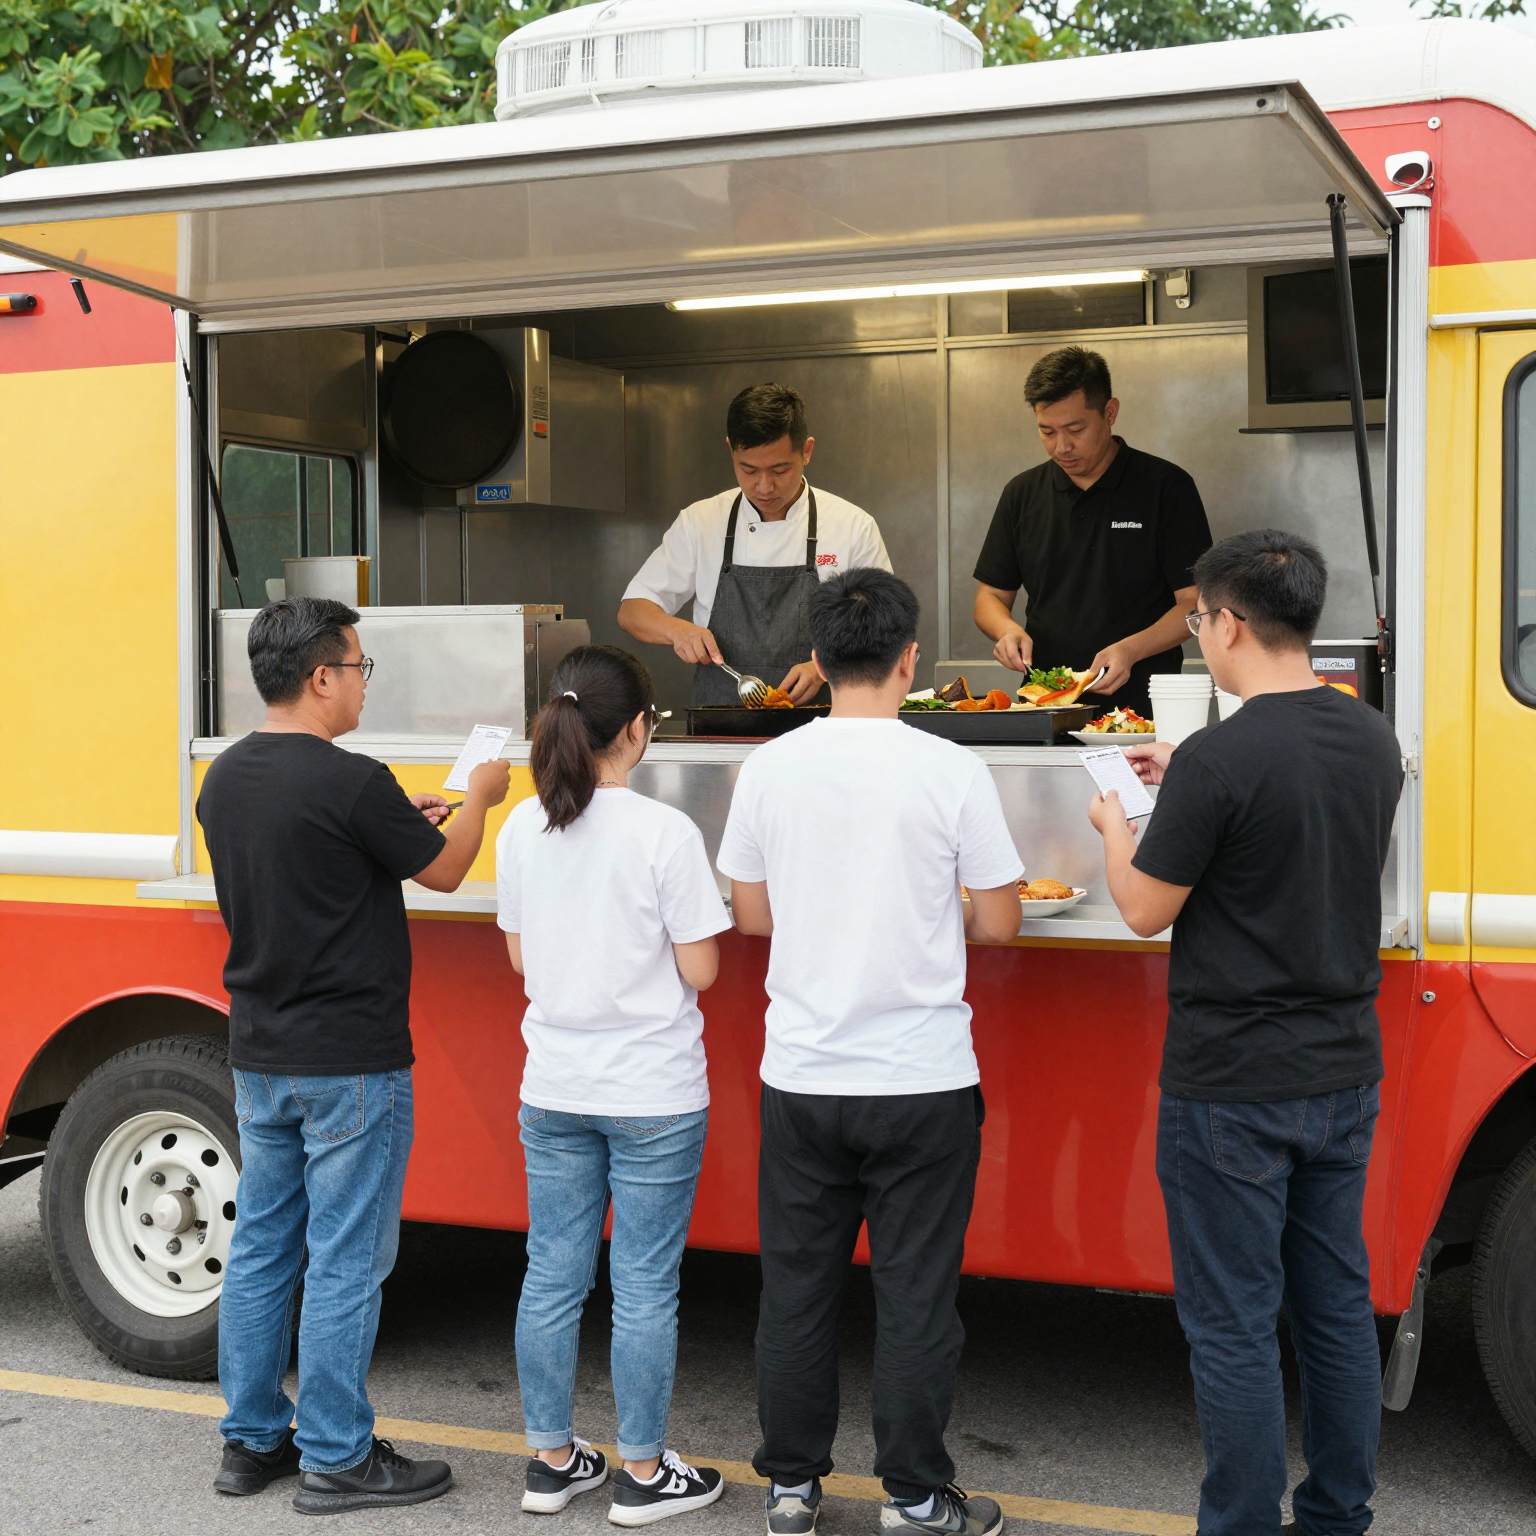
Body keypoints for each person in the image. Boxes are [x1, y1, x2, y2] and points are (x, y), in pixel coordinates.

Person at [1084, 530, 1403, 1536]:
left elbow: (1143, 908)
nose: (1199, 638)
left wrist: (1113, 833)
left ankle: (1240, 1526)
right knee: (1338, 1311)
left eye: (1198, 622)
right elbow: (1292, 806)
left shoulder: (1222, 763)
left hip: (1233, 1087)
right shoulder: (1370, 737)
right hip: (1345, 1071)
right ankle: (1338, 1515)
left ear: (1227, 625)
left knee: (1230, 1328)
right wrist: (1190, 765)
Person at [715, 568, 1025, 1536]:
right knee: (917, 1297)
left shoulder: (767, 769)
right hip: (922, 1079)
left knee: (796, 1291)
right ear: (910, 661)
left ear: (814, 661)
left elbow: (752, 915)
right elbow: (1003, 923)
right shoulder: (951, 769)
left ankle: (793, 1488)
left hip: (803, 1075)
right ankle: (918, 1497)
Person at [197, 596, 510, 1515]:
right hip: (350, 1061)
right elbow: (446, 870)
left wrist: (400, 816)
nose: (364, 684)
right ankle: (336, 1453)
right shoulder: (351, 779)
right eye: (360, 668)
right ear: (321, 675)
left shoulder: (224, 779)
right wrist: (481, 800)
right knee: (344, 1258)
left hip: (260, 1049)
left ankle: (252, 1441)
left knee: (261, 1247)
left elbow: (320, 856)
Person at [497, 645, 732, 1525]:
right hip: (652, 1096)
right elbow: (702, 970)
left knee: (551, 1274)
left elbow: (521, 956)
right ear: (638, 730)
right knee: (642, 1285)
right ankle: (641, 1473)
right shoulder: (664, 833)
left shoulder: (523, 826)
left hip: (552, 1083)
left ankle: (552, 1463)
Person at [972, 345, 1212, 716]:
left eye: (1075, 429)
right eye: (1047, 431)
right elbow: (990, 596)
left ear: (1110, 412)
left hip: (1143, 705)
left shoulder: (1166, 487)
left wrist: (1130, 650)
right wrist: (1006, 630)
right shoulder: (1022, 493)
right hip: (1045, 703)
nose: (1062, 447)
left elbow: (1195, 603)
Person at [618, 382, 892, 707]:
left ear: (806, 451)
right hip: (722, 728)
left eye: (780, 469)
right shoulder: (701, 521)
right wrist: (678, 631)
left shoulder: (852, 526)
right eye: (748, 469)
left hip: (823, 732)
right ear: (730, 449)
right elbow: (632, 610)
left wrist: (826, 666)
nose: (764, 486)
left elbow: (886, 624)